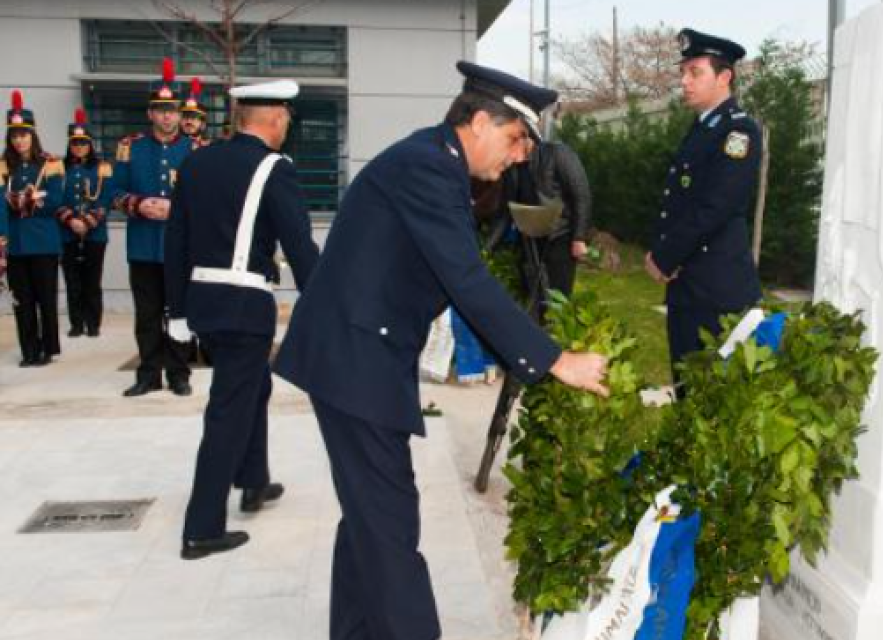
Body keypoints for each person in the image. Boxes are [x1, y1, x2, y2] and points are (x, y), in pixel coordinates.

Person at [274, 61, 610, 640]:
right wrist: (555, 360)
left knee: (369, 522)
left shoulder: (433, 163)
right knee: (390, 530)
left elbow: (450, 275)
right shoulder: (428, 169)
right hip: (357, 362)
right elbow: (467, 280)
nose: (519, 156)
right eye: (513, 139)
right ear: (479, 122)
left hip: (359, 355)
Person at [166, 79, 320, 560]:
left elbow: (176, 241)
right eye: (287, 118)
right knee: (229, 409)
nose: (287, 125)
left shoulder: (196, 161)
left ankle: (253, 480)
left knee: (254, 386)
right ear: (273, 119)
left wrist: (177, 310)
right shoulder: (275, 169)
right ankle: (202, 527)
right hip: (243, 305)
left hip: (205, 304)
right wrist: (322, 302)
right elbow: (299, 246)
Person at [645, 28, 763, 387]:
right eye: (684, 72)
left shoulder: (737, 132)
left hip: (717, 290)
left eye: (695, 72)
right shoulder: (702, 128)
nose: (685, 81)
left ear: (724, 76)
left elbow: (714, 208)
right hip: (689, 284)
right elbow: (679, 204)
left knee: (713, 398)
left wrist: (664, 256)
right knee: (686, 387)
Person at [105, 57, 203, 397]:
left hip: (181, 247)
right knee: (146, 314)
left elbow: (207, 198)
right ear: (150, 114)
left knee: (180, 312)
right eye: (160, 110)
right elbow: (111, 193)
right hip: (143, 244)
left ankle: (179, 373)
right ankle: (148, 373)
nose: (166, 116)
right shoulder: (130, 147)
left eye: (172, 110)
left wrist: (177, 208)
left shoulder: (196, 149)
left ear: (179, 114)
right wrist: (136, 204)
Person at [2, 90, 65, 367]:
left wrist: (27, 199)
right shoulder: (3, 167)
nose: (19, 140)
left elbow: (56, 200)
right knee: (22, 300)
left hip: (44, 242)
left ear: (33, 134)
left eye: (24, 134)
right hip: (15, 242)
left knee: (45, 298)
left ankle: (48, 348)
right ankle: (29, 349)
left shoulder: (50, 163)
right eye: (14, 135)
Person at [502, 130, 593, 296]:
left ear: (525, 137)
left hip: (559, 237)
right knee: (532, 294)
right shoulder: (511, 168)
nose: (508, 152)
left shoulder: (558, 153)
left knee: (558, 296)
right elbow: (506, 209)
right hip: (529, 242)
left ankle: (555, 322)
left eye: (511, 145)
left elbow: (581, 194)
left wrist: (579, 238)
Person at [57, 108, 111, 339]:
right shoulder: (59, 168)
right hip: (67, 232)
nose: (79, 147)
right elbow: (54, 198)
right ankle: (76, 324)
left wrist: (89, 221)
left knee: (92, 280)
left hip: (94, 233)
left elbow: (107, 198)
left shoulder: (102, 167)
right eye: (75, 143)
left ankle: (93, 323)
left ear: (90, 144)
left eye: (83, 142)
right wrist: (70, 220)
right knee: (72, 280)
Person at [179, 76, 210, 142]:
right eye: (185, 117)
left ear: (203, 124)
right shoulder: (169, 146)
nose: (189, 121)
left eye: (193, 118)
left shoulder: (210, 147)